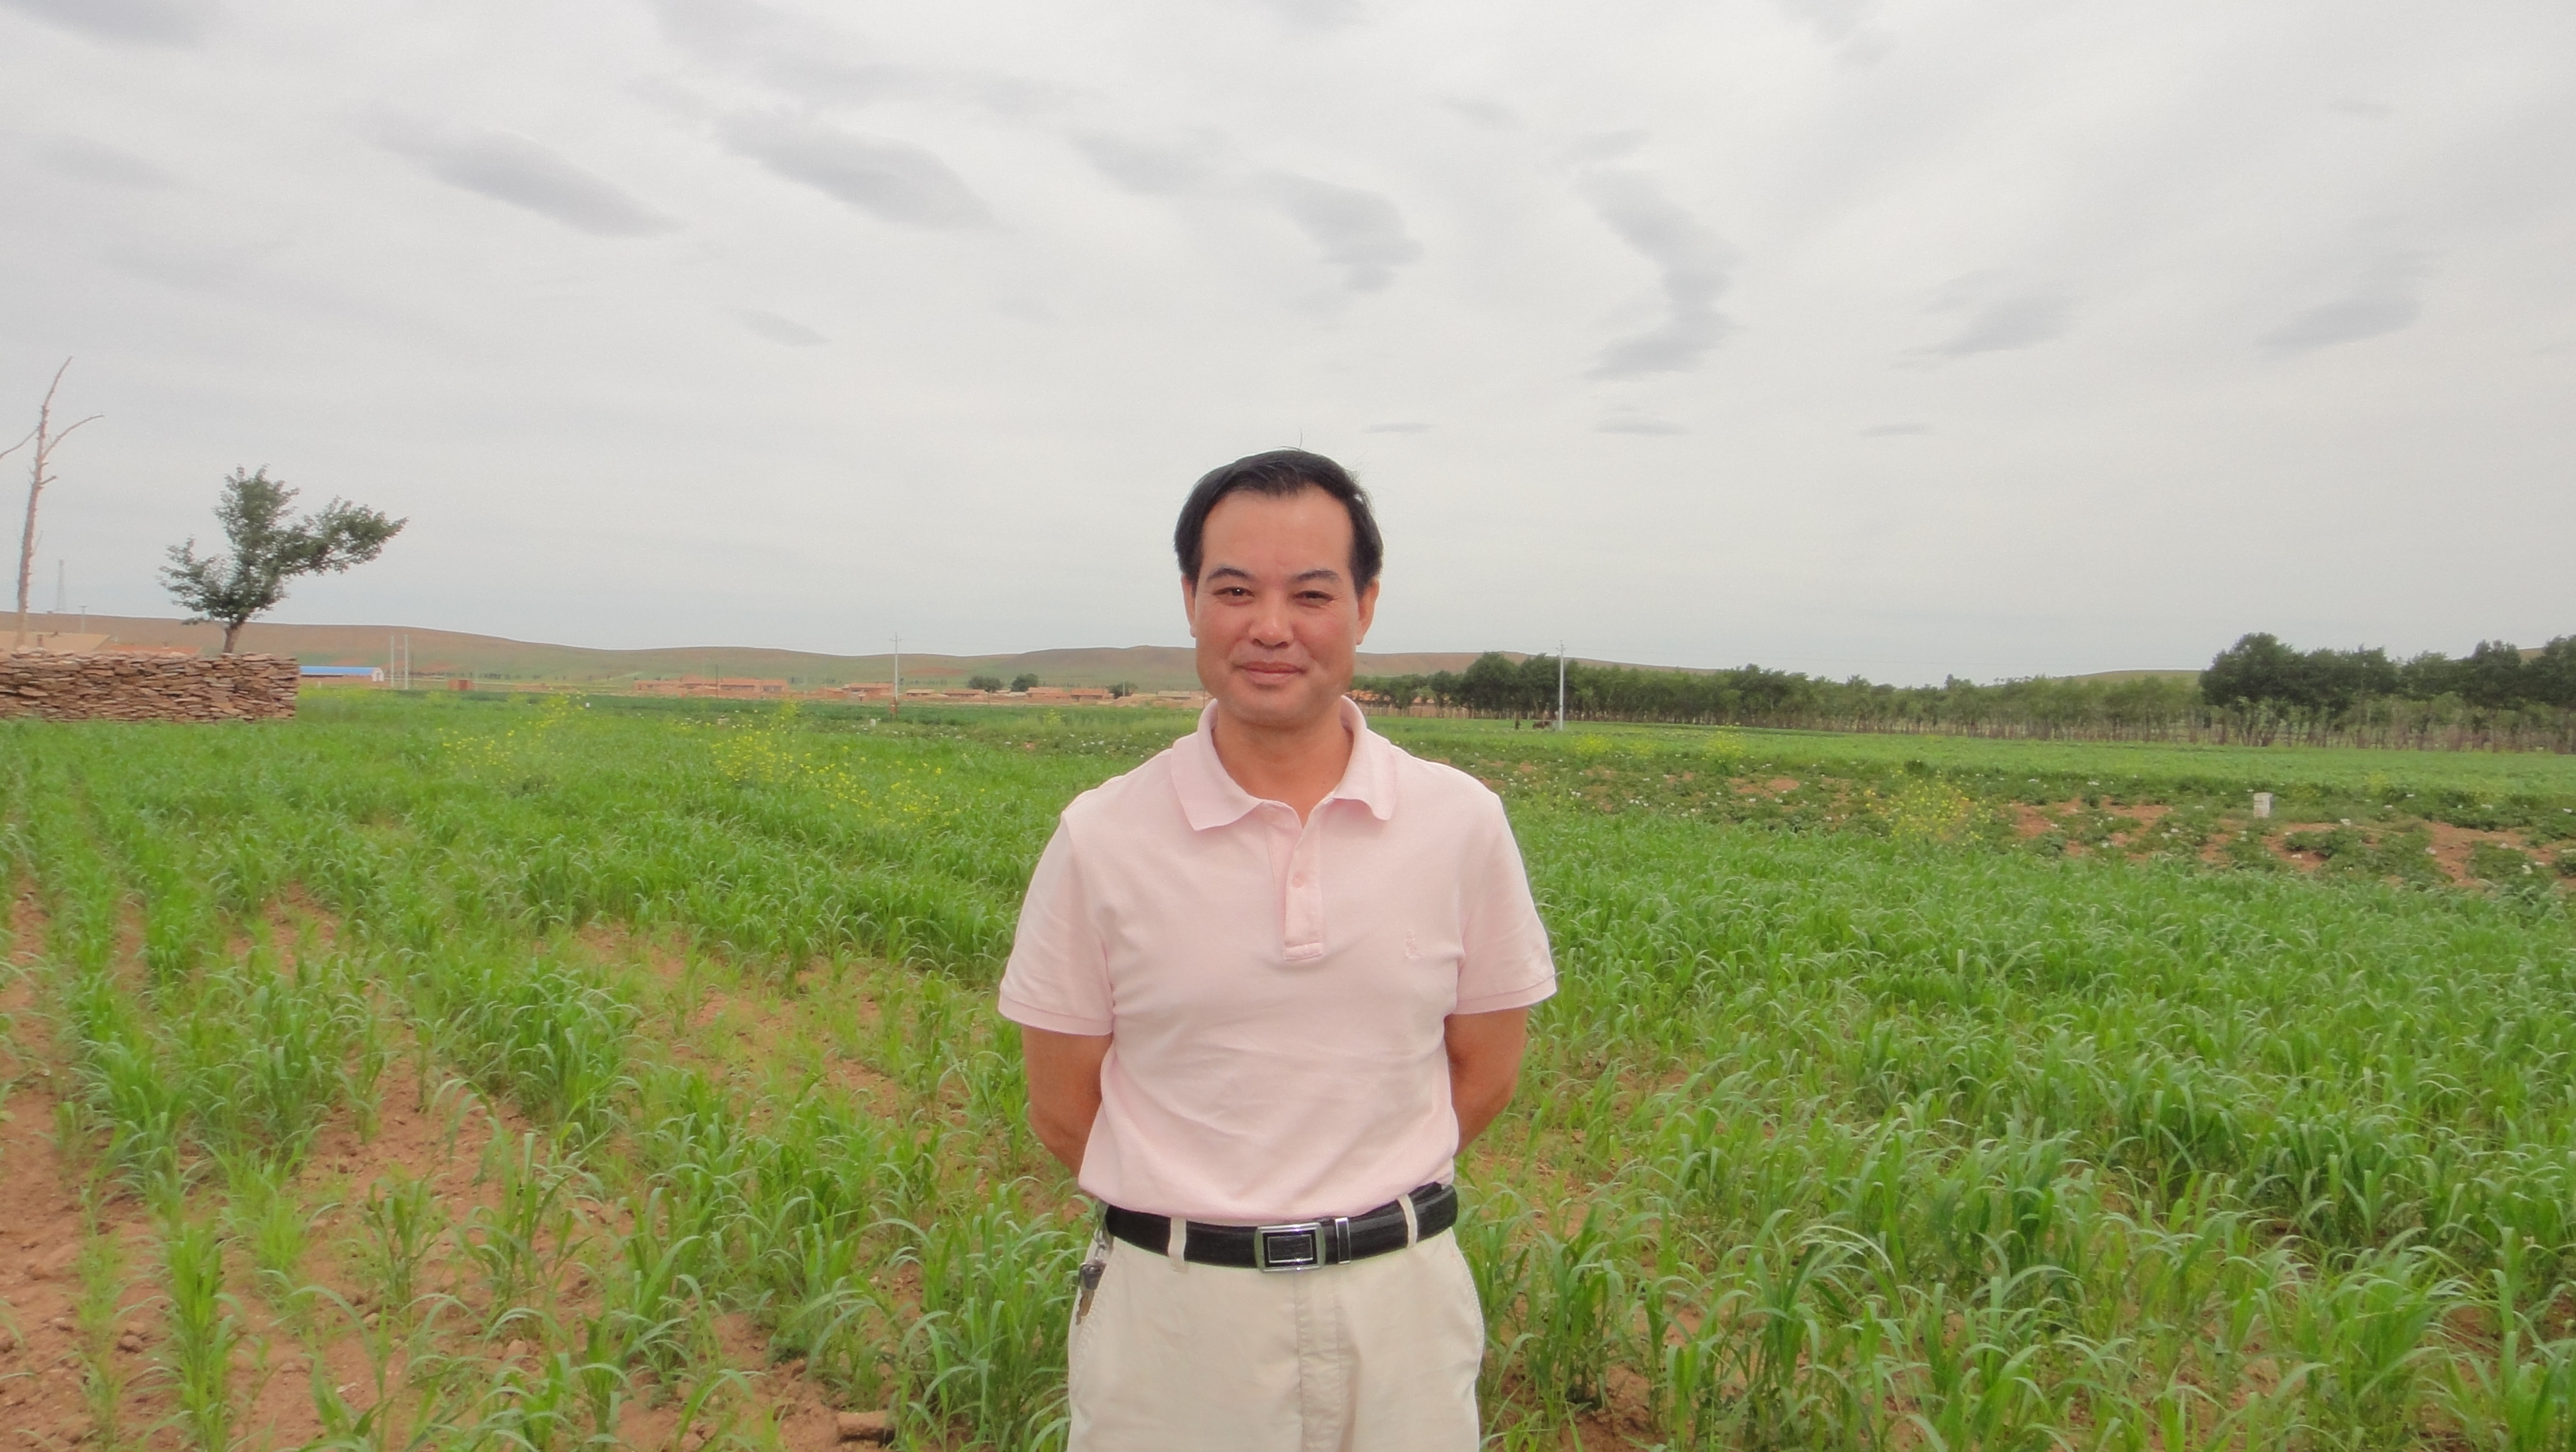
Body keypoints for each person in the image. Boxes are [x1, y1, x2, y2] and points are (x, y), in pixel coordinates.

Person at [998, 448, 1557, 1451]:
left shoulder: (1461, 824)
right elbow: (1061, 1106)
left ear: (1365, 606)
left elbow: (1485, 1072)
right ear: (1189, 601)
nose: (1270, 627)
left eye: (1310, 594)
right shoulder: (1102, 837)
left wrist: (1349, 1207)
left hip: (1401, 1313)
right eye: (1234, 591)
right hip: (1176, 1324)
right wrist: (1217, 1220)